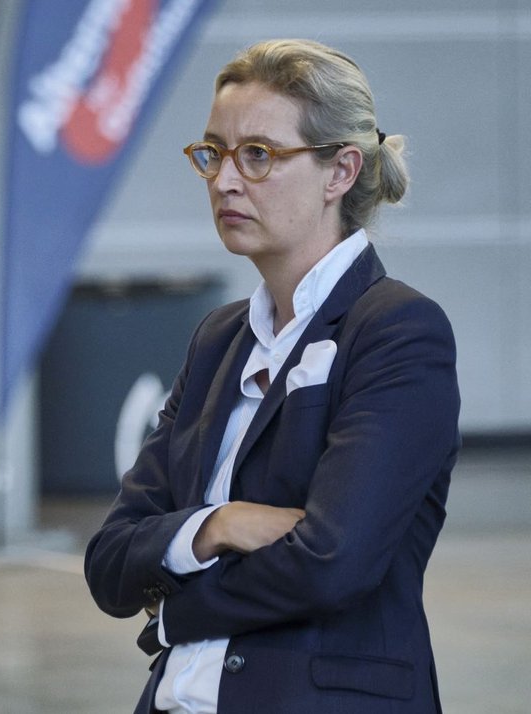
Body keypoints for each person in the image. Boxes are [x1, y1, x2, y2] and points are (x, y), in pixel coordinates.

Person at [84, 39, 460, 713]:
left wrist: (176, 615)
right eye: (214, 153)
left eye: (258, 155)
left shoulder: (398, 330)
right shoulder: (218, 339)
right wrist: (217, 525)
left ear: (340, 170)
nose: (225, 180)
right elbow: (110, 562)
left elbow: (332, 563)